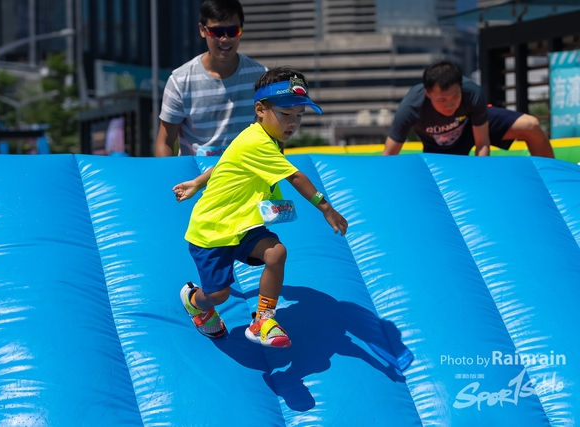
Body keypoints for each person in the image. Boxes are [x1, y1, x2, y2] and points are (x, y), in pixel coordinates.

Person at [172, 67, 348, 348]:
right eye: (286, 114)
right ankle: (194, 301)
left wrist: (197, 182)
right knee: (218, 295)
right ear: (260, 110)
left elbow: (226, 162)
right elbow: (295, 177)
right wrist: (326, 208)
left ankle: (263, 319)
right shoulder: (257, 141)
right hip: (212, 231)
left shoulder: (264, 138)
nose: (293, 123)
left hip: (243, 226)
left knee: (276, 253)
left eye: (299, 115)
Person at [155, 0, 266, 157]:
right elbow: (165, 142)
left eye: (233, 31)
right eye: (217, 32)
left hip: (245, 170)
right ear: (202, 30)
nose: (225, 39)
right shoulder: (180, 81)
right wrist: (170, 173)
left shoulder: (261, 77)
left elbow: (273, 135)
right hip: (196, 171)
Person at [382, 60, 555, 158]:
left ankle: (550, 180)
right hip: (438, 147)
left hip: (470, 127)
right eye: (442, 100)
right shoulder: (411, 107)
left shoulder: (472, 93)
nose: (450, 105)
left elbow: (482, 143)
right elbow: (389, 154)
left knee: (531, 125)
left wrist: (480, 175)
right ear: (428, 93)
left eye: (455, 97)